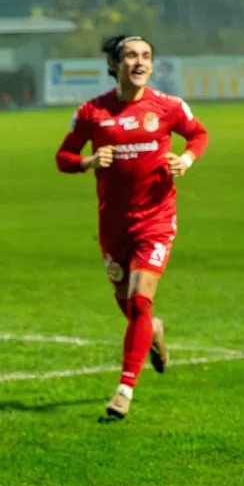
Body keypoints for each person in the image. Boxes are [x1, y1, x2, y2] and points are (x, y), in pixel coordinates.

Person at [56, 35, 209, 419]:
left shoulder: (168, 106)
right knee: (130, 305)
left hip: (156, 219)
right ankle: (152, 330)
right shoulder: (92, 112)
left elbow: (199, 134)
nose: (139, 63)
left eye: (146, 56)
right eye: (130, 57)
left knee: (140, 300)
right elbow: (63, 156)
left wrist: (186, 160)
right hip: (113, 224)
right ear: (114, 64)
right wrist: (88, 162)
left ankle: (124, 390)